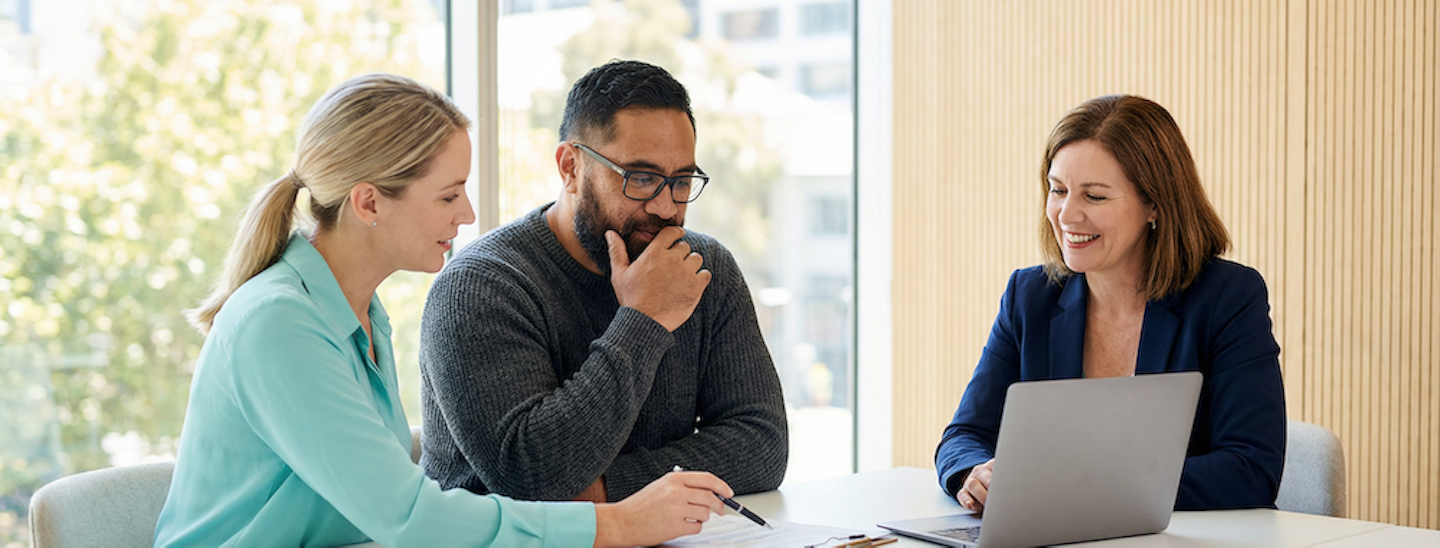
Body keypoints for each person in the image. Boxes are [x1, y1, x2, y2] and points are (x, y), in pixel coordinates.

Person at [154, 73, 734, 547]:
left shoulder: (359, 314)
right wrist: (622, 522)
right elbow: (410, 518)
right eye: (448, 194)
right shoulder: (277, 323)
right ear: (370, 202)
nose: (467, 213)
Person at [418, 60, 788, 503]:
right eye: (643, 178)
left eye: (682, 180)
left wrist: (606, 491)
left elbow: (762, 444)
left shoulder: (705, 268)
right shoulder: (481, 287)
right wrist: (644, 319)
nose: (667, 207)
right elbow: (531, 476)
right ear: (570, 167)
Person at [934, 95, 1286, 512]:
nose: (1067, 215)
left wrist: (1079, 487)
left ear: (1154, 204)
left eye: (1095, 197)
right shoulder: (1030, 297)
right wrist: (976, 474)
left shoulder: (1228, 298)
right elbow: (964, 436)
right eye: (1058, 190)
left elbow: (1250, 470)